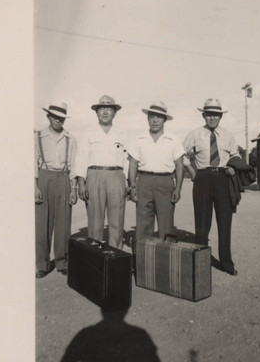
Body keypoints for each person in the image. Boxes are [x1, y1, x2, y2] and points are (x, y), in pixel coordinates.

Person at [183, 98, 240, 276]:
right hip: (202, 178)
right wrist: (192, 172)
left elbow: (236, 154)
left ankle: (226, 263)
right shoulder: (194, 133)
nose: (212, 118)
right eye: (209, 114)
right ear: (203, 115)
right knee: (202, 223)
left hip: (223, 178)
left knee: (225, 223)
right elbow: (181, 154)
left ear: (220, 116)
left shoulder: (228, 135)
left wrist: (232, 167)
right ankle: (201, 261)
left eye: (216, 114)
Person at [76, 95, 127, 249]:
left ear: (115, 113)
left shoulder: (121, 133)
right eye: (102, 109)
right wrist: (81, 183)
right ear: (96, 112)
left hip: (116, 176)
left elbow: (126, 159)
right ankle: (94, 258)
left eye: (109, 109)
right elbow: (82, 158)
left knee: (116, 221)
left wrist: (129, 183)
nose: (105, 112)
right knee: (95, 222)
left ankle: (115, 255)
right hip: (94, 176)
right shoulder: (88, 133)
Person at [128, 101, 184, 240]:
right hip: (144, 182)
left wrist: (178, 189)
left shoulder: (174, 140)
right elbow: (133, 164)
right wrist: (132, 187)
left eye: (159, 117)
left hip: (165, 182)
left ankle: (164, 258)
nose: (155, 120)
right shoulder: (139, 139)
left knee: (166, 225)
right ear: (147, 118)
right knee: (143, 224)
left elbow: (179, 166)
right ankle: (142, 259)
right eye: (152, 116)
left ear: (164, 120)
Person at [34, 103, 78, 278]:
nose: (57, 120)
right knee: (42, 224)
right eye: (54, 117)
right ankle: (42, 265)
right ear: (48, 117)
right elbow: (31, 163)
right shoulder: (38, 136)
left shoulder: (70, 139)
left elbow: (73, 165)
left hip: (63, 179)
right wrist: (35, 186)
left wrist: (73, 188)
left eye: (61, 118)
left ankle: (62, 262)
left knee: (63, 224)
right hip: (44, 177)